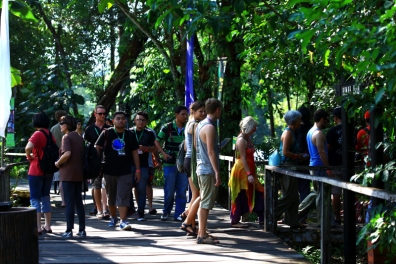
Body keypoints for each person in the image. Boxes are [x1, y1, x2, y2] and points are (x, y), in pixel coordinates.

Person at [95, 111, 141, 230]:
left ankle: (123, 220)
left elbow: (135, 153)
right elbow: (97, 147)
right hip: (108, 170)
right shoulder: (106, 133)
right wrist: (97, 163)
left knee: (123, 195)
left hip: (125, 171)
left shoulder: (130, 135)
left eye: (123, 119)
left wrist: (138, 170)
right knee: (111, 196)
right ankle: (113, 217)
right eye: (118, 119)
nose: (121, 120)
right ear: (113, 121)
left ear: (126, 121)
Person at [228, 116, 264, 228]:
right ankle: (235, 221)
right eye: (254, 127)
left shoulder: (247, 138)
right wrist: (249, 174)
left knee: (259, 192)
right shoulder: (241, 139)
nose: (255, 129)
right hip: (242, 171)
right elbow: (242, 158)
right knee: (240, 195)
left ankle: (262, 218)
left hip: (248, 170)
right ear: (248, 127)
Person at [154, 106, 189, 221]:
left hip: (183, 164)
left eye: (186, 114)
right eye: (183, 114)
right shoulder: (167, 127)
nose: (185, 116)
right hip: (170, 164)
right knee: (169, 190)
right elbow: (156, 141)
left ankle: (179, 213)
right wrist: (163, 153)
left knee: (182, 189)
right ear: (176, 114)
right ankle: (166, 211)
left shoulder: (188, 127)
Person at [195, 98, 222, 244]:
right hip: (207, 169)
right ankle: (202, 235)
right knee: (205, 203)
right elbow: (211, 152)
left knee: (203, 201)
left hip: (201, 167)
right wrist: (217, 171)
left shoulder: (199, 124)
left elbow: (196, 146)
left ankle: (202, 232)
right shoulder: (210, 127)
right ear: (217, 110)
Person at [55, 116, 86, 237]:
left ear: (67, 124)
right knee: (78, 201)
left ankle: (69, 230)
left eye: (62, 123)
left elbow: (67, 153)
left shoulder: (66, 137)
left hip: (68, 174)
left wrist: (58, 163)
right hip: (78, 173)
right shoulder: (78, 137)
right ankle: (82, 229)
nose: (60, 125)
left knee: (69, 201)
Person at [25, 112, 55, 235]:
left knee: (35, 198)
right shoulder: (50, 134)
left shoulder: (37, 134)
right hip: (48, 170)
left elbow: (28, 147)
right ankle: (47, 225)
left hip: (36, 169)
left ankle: (37, 226)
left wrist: (29, 155)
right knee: (46, 197)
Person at [278, 110, 307, 229]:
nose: (301, 122)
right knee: (290, 195)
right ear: (294, 121)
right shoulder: (288, 133)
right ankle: (270, 213)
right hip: (287, 166)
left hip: (291, 165)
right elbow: (285, 152)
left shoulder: (292, 132)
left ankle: (292, 221)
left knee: (294, 195)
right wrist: (298, 156)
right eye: (299, 120)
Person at [180, 101, 206, 235]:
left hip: (188, 160)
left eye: (204, 111)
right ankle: (187, 221)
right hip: (193, 161)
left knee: (195, 194)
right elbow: (197, 146)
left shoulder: (188, 124)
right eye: (200, 111)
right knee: (202, 194)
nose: (203, 114)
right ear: (193, 112)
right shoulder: (195, 124)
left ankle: (191, 223)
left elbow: (186, 146)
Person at [306, 109, 334, 225]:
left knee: (318, 193)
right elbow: (321, 152)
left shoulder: (310, 132)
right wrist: (328, 168)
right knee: (323, 195)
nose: (327, 123)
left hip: (313, 166)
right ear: (322, 120)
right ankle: (324, 222)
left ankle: (325, 220)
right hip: (319, 167)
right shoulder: (318, 133)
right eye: (327, 121)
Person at [84, 105, 111, 219]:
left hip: (107, 160)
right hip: (94, 161)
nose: (103, 116)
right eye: (100, 113)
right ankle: (98, 208)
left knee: (106, 185)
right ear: (95, 114)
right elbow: (85, 146)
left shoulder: (109, 128)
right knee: (96, 185)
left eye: (104, 113)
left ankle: (105, 209)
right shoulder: (89, 129)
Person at [129, 111, 157, 221]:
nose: (141, 122)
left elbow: (155, 149)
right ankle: (130, 209)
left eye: (143, 120)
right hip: (129, 165)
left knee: (141, 189)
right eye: (139, 119)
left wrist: (145, 148)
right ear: (135, 120)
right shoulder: (129, 132)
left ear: (146, 122)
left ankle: (141, 211)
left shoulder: (149, 133)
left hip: (144, 165)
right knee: (127, 187)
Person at [326, 107, 343, 224]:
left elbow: (327, 149)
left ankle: (337, 217)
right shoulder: (353, 130)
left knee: (336, 192)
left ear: (335, 118)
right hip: (350, 165)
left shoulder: (332, 131)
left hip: (335, 164)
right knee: (350, 190)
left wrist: (327, 166)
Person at [295, 106, 312, 203]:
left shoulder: (295, 128)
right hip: (307, 160)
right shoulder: (311, 128)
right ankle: (303, 214)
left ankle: (295, 214)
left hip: (296, 160)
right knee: (304, 189)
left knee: (294, 189)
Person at [50, 110, 66, 205]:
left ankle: (63, 201)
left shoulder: (53, 129)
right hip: (67, 154)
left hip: (57, 155)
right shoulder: (67, 128)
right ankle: (69, 200)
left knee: (61, 179)